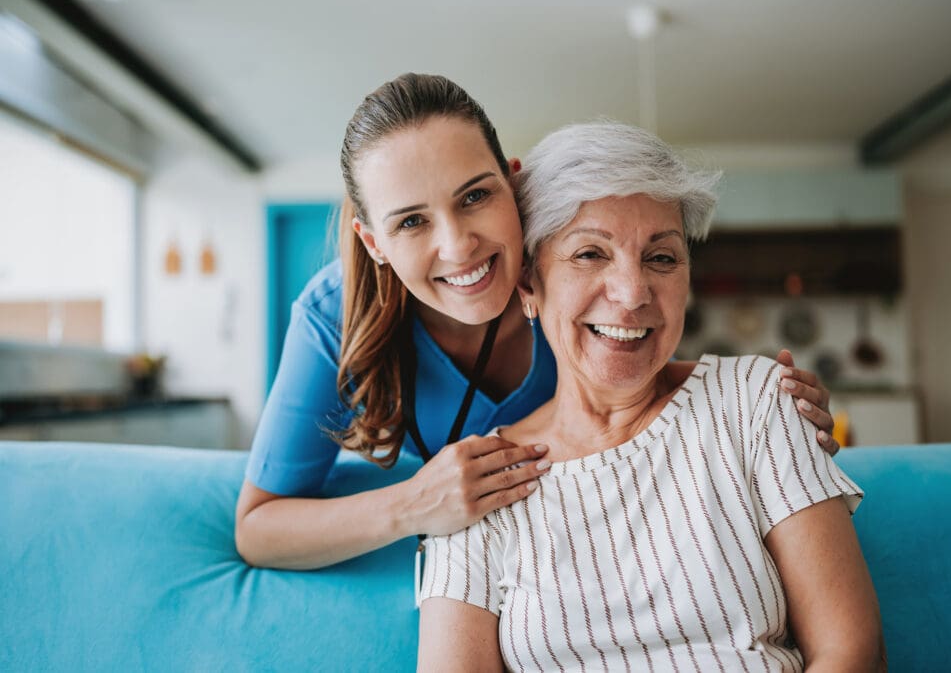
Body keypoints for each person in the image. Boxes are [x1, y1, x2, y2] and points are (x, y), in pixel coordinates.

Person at [234, 74, 838, 570]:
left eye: (475, 197)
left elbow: (630, 375)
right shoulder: (332, 313)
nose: (459, 246)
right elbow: (258, 528)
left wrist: (757, 402)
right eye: (411, 222)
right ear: (374, 243)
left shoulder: (567, 274)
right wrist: (415, 504)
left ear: (512, 183)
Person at [418, 121, 884, 672]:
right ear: (527, 285)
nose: (633, 293)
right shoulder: (477, 484)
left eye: (661, 258)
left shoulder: (757, 401)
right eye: (590, 254)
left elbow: (851, 653)